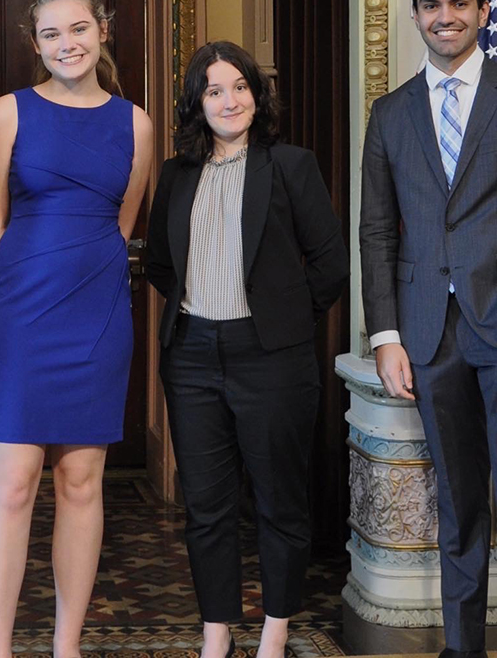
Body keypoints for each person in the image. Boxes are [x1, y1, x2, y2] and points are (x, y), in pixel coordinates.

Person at [360, 0, 497, 658]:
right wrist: (386, 333)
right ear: (416, 12)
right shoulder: (389, 116)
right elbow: (377, 230)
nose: (443, 17)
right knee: (456, 504)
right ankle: (462, 647)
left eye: (458, 3)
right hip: (427, 334)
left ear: (483, 10)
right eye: (430, 4)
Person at [146, 41, 349, 658]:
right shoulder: (177, 174)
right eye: (213, 90)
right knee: (205, 506)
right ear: (196, 103)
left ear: (257, 97)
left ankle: (275, 632)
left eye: (239, 87)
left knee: (278, 501)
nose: (228, 100)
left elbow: (330, 266)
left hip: (273, 357)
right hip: (191, 356)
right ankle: (216, 636)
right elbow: (159, 262)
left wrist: (283, 321)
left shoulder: (290, 165)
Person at [0, 0, 153, 658]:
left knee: (81, 482)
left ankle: (66, 646)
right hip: (21, 317)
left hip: (99, 313)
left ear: (101, 31)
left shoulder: (134, 122)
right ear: (36, 44)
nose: (66, 43)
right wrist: (27, 289)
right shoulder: (7, 113)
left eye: (77, 29)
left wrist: (84, 277)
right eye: (51, 34)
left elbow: (121, 222)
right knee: (14, 483)